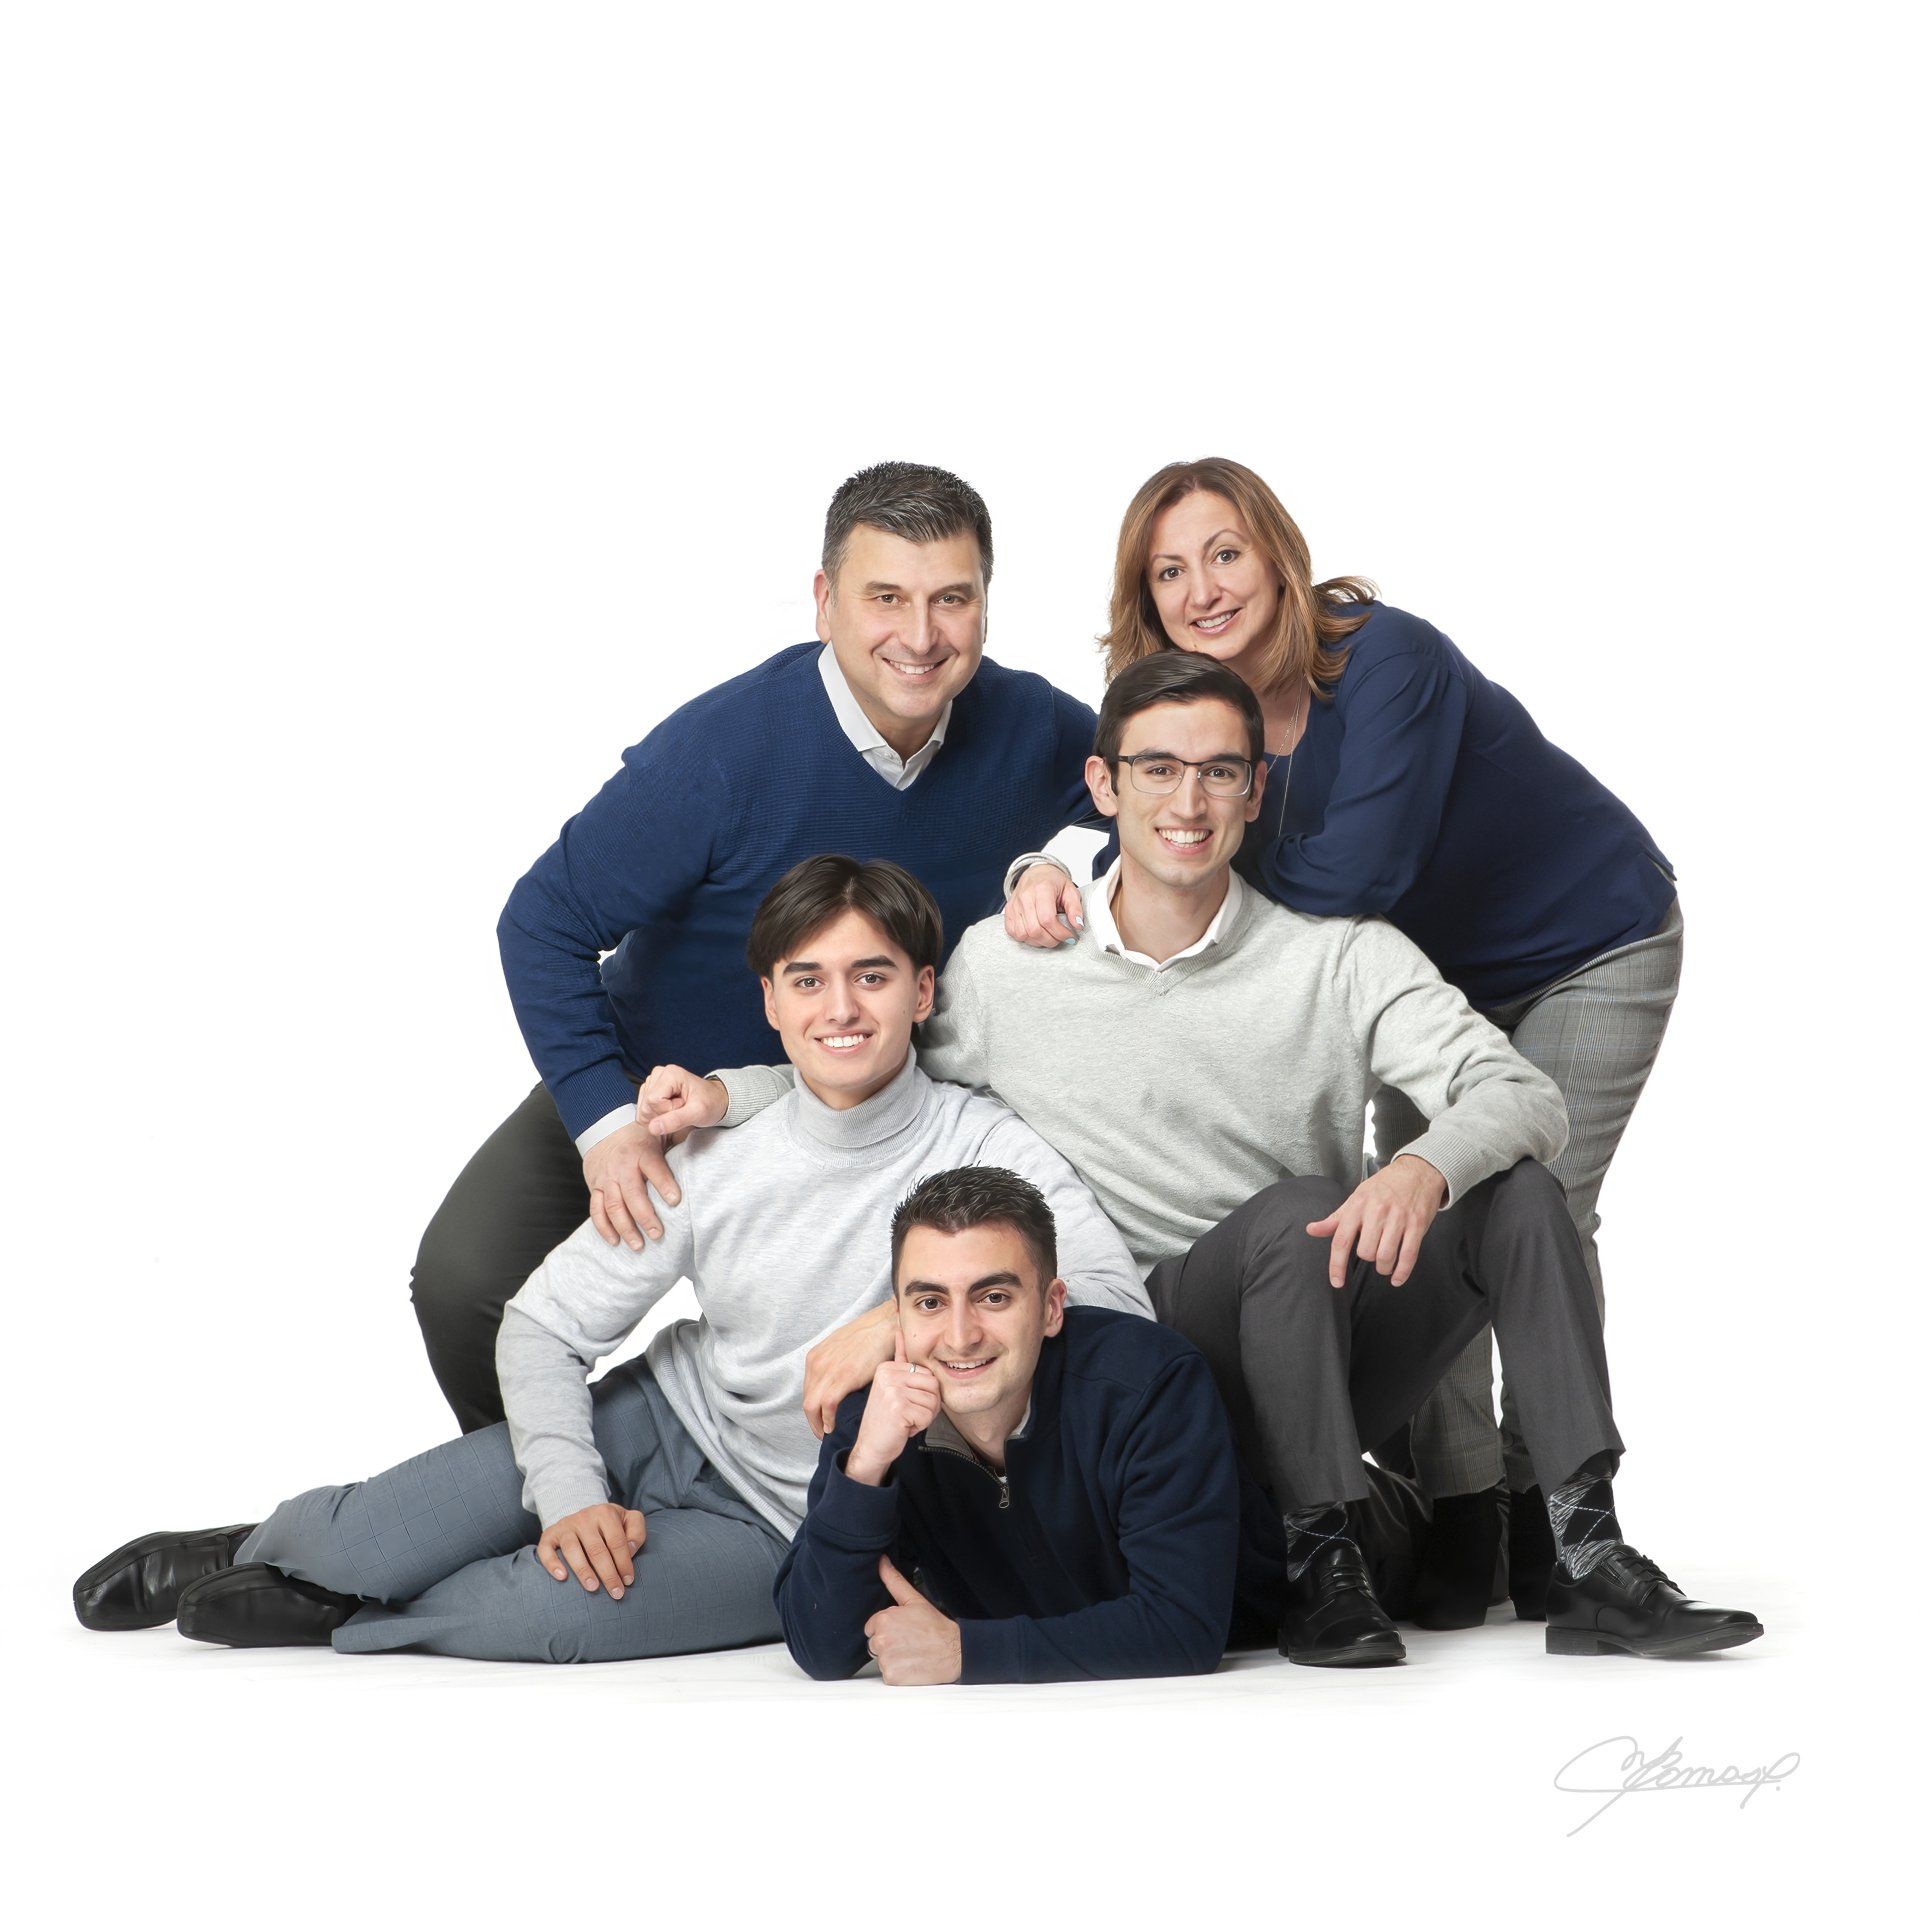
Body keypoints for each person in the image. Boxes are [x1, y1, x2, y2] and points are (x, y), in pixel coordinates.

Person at [679, 655, 1759, 1664]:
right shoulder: (1013, 965)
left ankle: (1587, 1550)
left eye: (1219, 772)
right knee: (1295, 1212)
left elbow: (1525, 1097)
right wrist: (734, 1096)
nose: (1187, 802)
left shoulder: (1337, 955)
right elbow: (871, 1058)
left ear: (1256, 790)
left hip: (1322, 1333)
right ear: (1103, 786)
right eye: (1157, 769)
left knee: (1517, 1193)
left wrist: (1421, 1168)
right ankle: (1322, 1556)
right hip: (1152, 1350)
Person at [71, 859, 1147, 1662]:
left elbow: (1114, 1308)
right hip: (658, 1420)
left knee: (542, 1618)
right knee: (370, 1531)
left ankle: (344, 1612)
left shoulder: (988, 1148)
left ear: (922, 991)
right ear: (770, 1002)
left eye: (872, 976)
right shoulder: (723, 1147)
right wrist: (571, 1494)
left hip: (784, 1518)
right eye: (808, 980)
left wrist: (898, 1329)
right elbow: (545, 1323)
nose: (840, 1010)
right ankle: (263, 1546)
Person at [1005, 456, 1684, 1616]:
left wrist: (1198, 852)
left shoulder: (1387, 660)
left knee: (1536, 1202)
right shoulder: (1200, 717)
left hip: (1585, 940)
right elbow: (1143, 822)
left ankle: (1550, 1529)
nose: (1203, 589)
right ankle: (1463, 1511)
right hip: (1428, 986)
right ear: (1145, 600)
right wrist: (1050, 865)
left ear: (1277, 555)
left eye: (1225, 553)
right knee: (1412, 1229)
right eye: (1169, 572)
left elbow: (1359, 873)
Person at [413, 461, 1106, 1433]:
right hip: (662, 1090)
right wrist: (606, 1123)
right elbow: (543, 920)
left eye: (951, 599)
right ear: (825, 601)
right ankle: (548, 1495)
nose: (920, 636)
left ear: (986, 605)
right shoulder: (722, 751)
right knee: (467, 1283)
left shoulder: (1031, 725)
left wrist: (1054, 860)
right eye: (886, 598)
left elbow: (1145, 787)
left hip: (875, 1105)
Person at [778, 1166, 1426, 1685]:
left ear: (1051, 1308)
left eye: (994, 1297)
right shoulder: (879, 1418)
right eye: (929, 1301)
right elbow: (819, 1646)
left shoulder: (1147, 1382)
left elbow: (1184, 1628)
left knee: (1451, 1575)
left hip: (1359, 1547)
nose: (960, 1335)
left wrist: (966, 1651)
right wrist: (864, 1470)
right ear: (898, 1315)